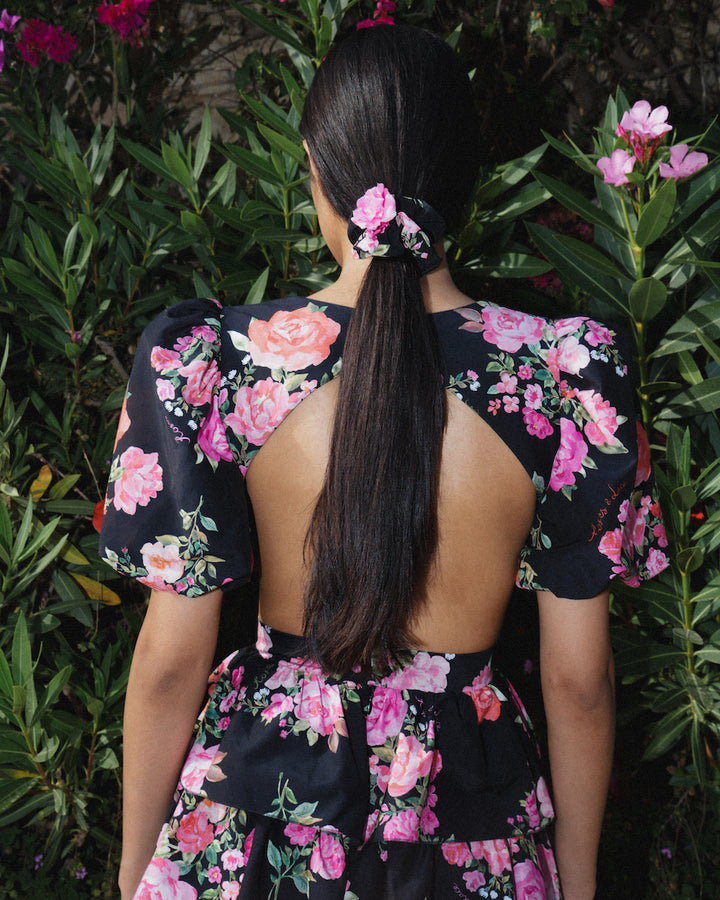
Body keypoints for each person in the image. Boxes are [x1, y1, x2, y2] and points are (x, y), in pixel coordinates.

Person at [100, 24, 668, 900]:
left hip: (259, 817)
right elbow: (578, 681)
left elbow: (172, 661)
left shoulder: (216, 363)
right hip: (474, 821)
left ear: (315, 173)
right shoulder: (566, 377)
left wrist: (136, 874)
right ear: (467, 186)